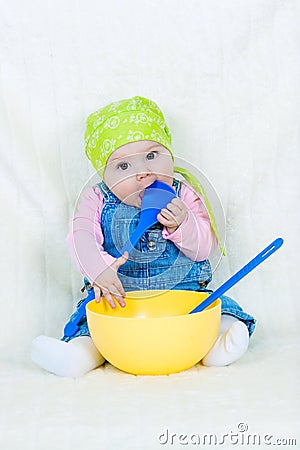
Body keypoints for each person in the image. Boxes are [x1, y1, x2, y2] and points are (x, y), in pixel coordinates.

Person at [31, 96, 256, 378]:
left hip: (184, 300)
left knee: (217, 311)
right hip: (120, 303)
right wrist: (98, 267)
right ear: (105, 174)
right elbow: (80, 236)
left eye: (152, 156)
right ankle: (77, 356)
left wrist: (183, 223)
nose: (143, 173)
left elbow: (202, 250)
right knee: (94, 328)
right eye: (123, 166)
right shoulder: (96, 198)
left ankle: (218, 344)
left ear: (170, 155)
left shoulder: (185, 192)